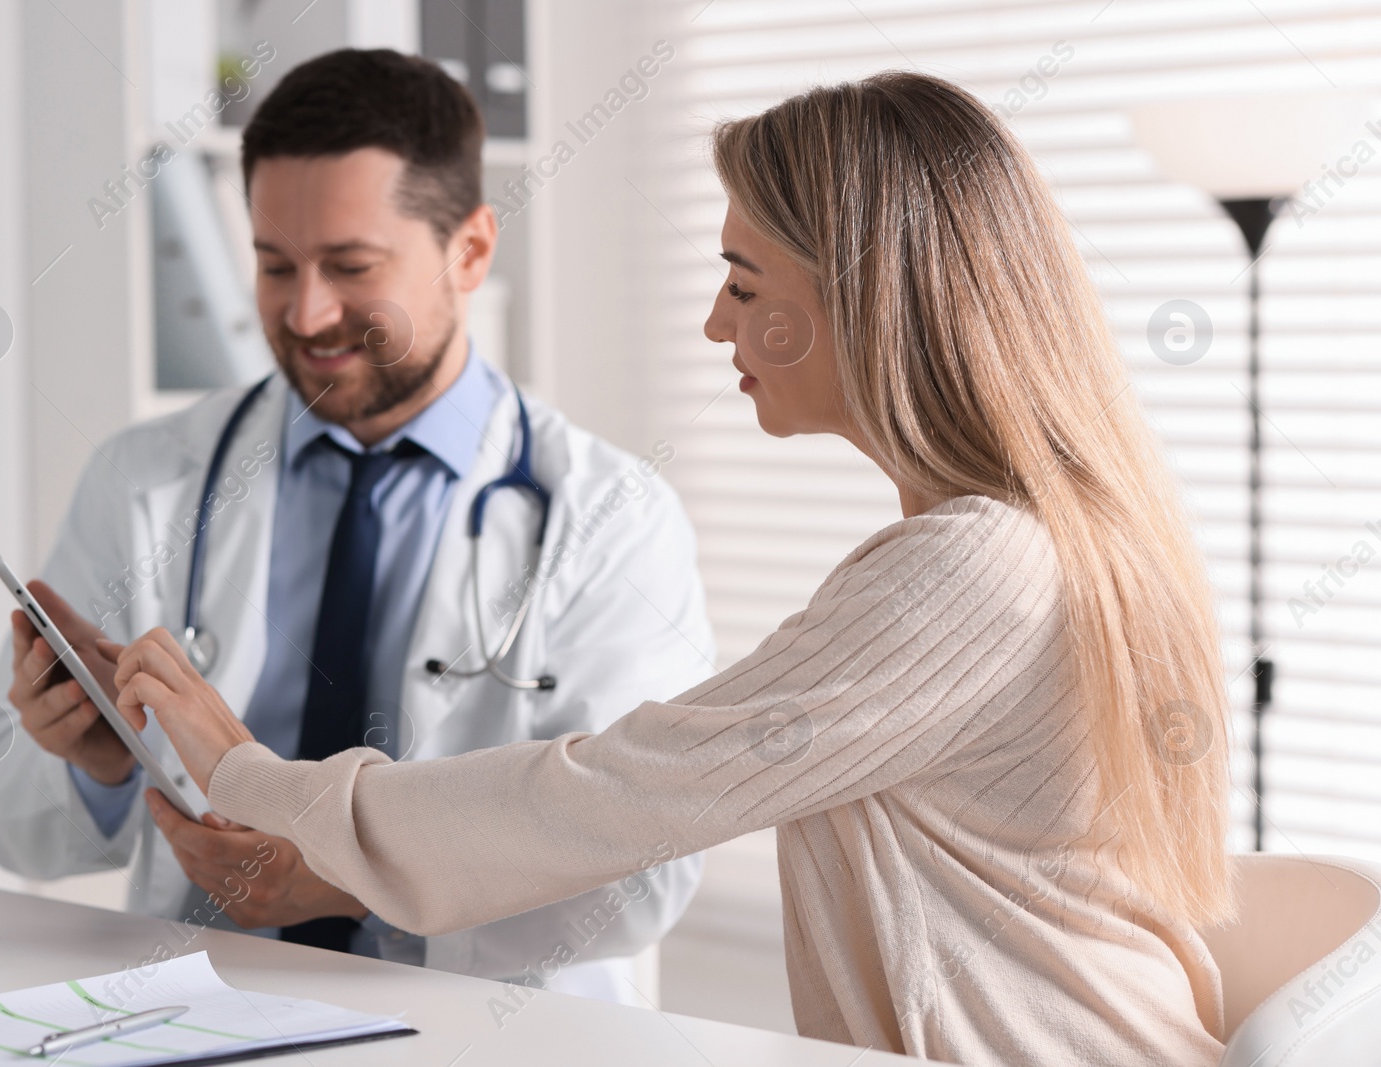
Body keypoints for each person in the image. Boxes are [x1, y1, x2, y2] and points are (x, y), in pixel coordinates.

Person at [105, 71, 1239, 1066]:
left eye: (744, 286)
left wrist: (248, 769)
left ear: (864, 300)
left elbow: (613, 795)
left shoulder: (972, 571)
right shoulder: (1024, 540)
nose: (710, 323)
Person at [0, 48, 712, 1002]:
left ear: (471, 251)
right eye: (275, 265)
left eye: (351, 267)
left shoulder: (609, 515)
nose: (308, 312)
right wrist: (100, 759)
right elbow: (11, 826)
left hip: (476, 1028)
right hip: (200, 1013)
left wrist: (349, 879)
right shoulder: (146, 476)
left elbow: (643, 869)